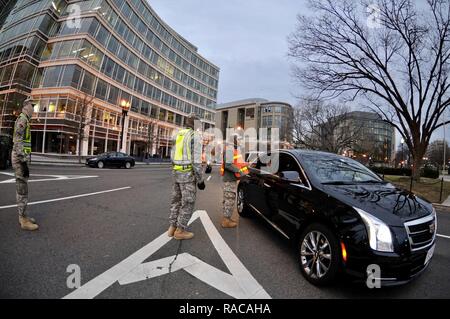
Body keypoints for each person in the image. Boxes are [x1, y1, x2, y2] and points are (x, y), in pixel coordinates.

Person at [169, 113, 205, 240]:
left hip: (176, 172)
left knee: (176, 201)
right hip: (187, 174)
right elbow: (196, 161)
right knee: (188, 202)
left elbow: (172, 155)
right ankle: (180, 230)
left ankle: (172, 227)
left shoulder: (178, 134)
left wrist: (175, 168)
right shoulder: (195, 136)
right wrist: (200, 180)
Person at [12, 99, 38, 231]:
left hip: (21, 159)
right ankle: (23, 220)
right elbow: (18, 141)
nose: (34, 109)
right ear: (26, 106)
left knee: (23, 188)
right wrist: (23, 162)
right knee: (22, 190)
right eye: (32, 106)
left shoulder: (25, 120)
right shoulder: (22, 120)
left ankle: (24, 216)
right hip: (19, 159)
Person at [220, 133, 249, 228]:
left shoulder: (232, 149)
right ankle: (226, 221)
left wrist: (245, 164)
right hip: (229, 179)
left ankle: (227, 218)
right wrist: (239, 171)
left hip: (230, 179)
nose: (240, 141)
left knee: (229, 199)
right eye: (239, 139)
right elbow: (228, 165)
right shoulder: (230, 149)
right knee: (229, 199)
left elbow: (236, 163)